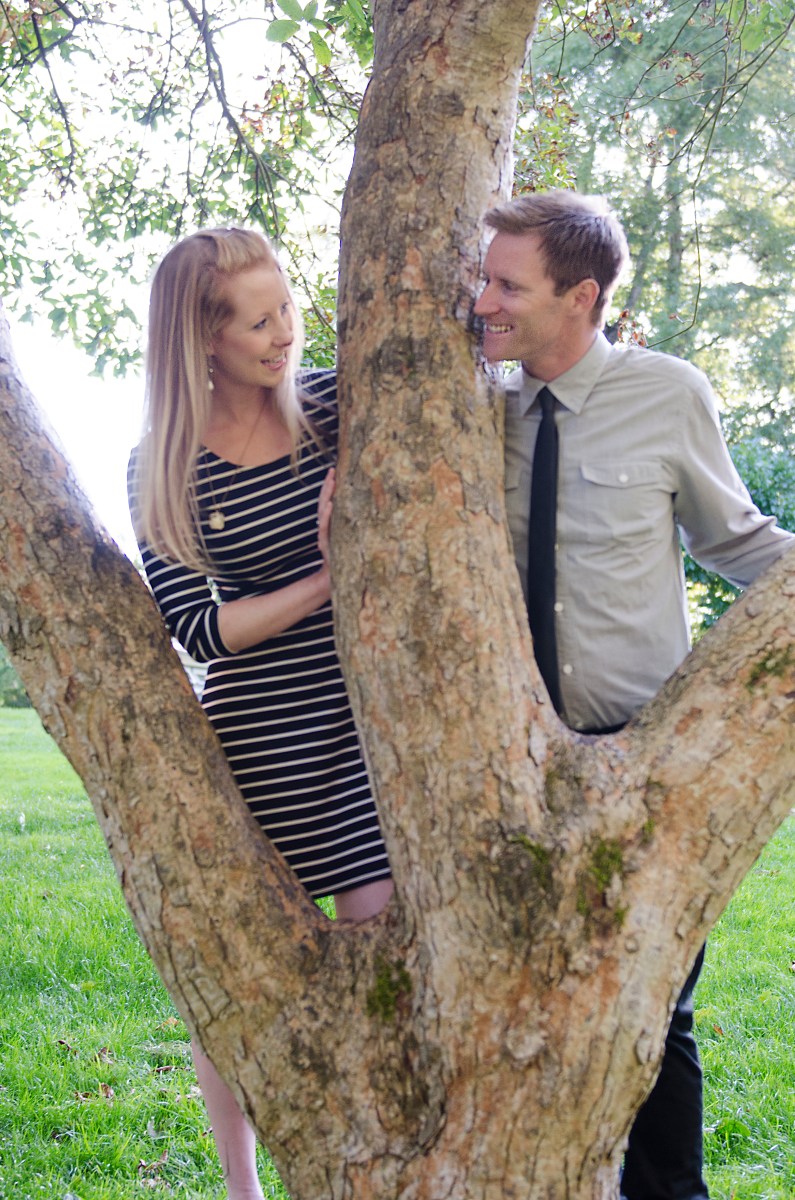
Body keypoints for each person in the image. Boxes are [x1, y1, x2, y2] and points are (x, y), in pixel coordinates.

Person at [473, 190, 794, 1200]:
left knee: (655, 1007)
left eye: (505, 284)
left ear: (581, 297)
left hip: (644, 750)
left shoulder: (670, 393)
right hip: (506, 751)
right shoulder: (471, 402)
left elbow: (734, 540)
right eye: (486, 276)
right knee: (521, 1005)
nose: (482, 300)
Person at [128, 227, 393, 1200]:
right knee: (240, 990)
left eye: (286, 306)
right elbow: (199, 628)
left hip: (362, 734)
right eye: (259, 320)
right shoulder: (163, 465)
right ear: (204, 341)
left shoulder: (330, 404)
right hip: (256, 752)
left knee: (380, 953)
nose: (286, 331)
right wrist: (330, 574)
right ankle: (243, 1189)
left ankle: (366, 1161)